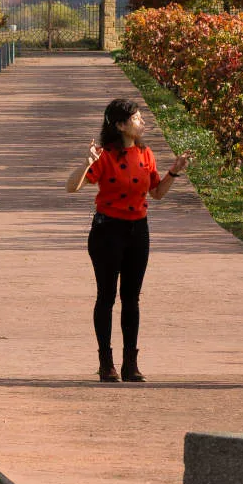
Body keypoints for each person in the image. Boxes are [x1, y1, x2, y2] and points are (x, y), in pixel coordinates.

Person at [66, 96, 192, 383]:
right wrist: (86, 163)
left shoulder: (146, 154)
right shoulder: (105, 156)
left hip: (138, 231)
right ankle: (106, 363)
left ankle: (130, 364)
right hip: (107, 232)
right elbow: (71, 187)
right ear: (121, 125)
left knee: (131, 299)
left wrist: (174, 171)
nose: (142, 122)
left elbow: (156, 193)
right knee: (106, 296)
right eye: (136, 118)